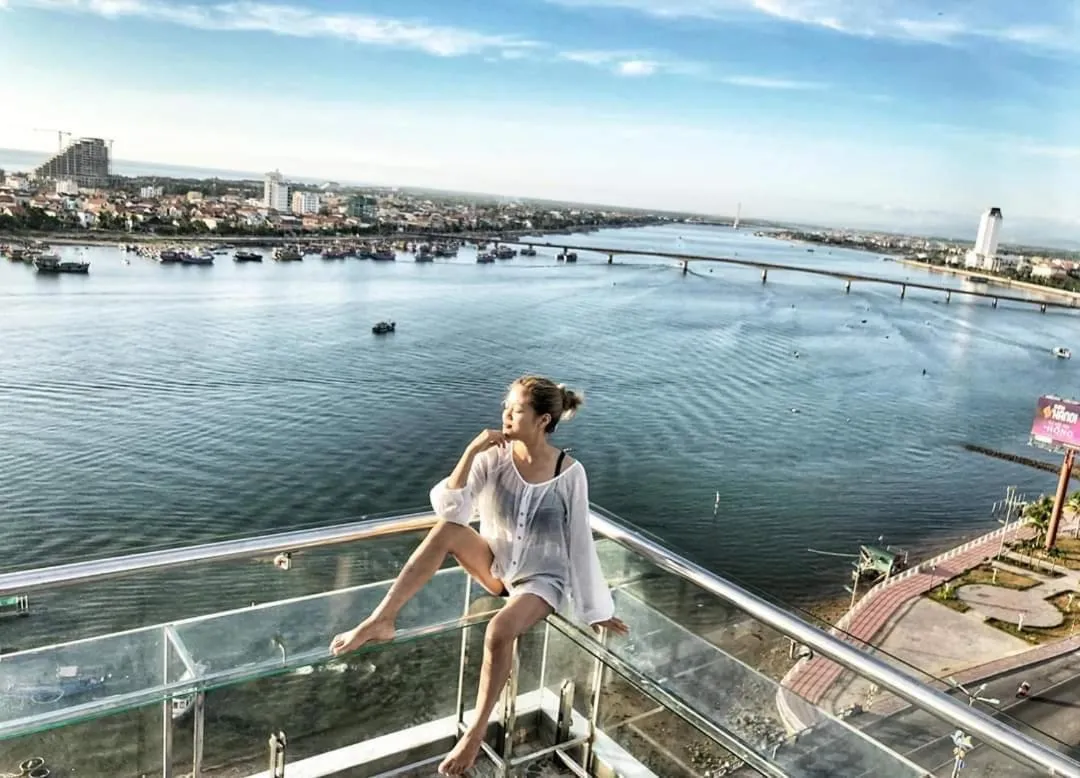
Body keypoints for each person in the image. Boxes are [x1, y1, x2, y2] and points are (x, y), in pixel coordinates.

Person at [330, 375, 628, 776]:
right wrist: (472, 451)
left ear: (543, 420)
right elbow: (451, 510)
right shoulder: (493, 458)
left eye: (516, 410)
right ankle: (380, 619)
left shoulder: (570, 473)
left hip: (542, 581)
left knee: (498, 631)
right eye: (506, 406)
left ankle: (474, 733)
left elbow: (579, 543)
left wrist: (596, 609)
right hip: (497, 567)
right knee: (446, 531)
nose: (506, 415)